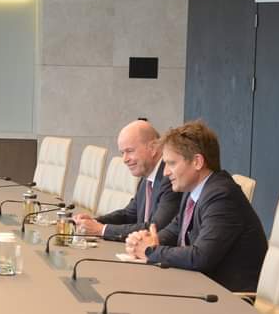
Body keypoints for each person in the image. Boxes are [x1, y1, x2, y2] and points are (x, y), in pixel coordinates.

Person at [124, 121, 268, 292]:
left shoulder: (222, 196)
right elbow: (175, 229)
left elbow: (201, 257)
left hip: (226, 297)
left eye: (171, 163)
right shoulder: (193, 190)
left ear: (197, 162)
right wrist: (148, 240)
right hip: (200, 287)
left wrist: (150, 251)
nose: (165, 172)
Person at [74, 120, 181, 241]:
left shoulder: (170, 179)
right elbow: (129, 215)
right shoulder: (147, 176)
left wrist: (102, 230)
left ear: (153, 148)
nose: (124, 159)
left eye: (129, 151)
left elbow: (155, 228)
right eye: (122, 153)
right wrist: (94, 222)